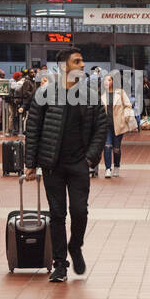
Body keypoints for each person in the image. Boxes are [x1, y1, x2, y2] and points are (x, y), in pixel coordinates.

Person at [23, 48, 107, 283]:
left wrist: (90, 158)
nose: (82, 65)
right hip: (53, 165)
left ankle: (75, 245)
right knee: (57, 214)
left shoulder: (91, 95)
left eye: (82, 60)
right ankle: (60, 264)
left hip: (79, 163)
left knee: (79, 211)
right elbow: (33, 130)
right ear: (63, 67)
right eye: (77, 61)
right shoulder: (45, 94)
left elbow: (101, 128)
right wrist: (30, 163)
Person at [101, 74, 135, 178]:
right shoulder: (102, 94)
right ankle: (107, 169)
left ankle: (116, 166)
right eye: (105, 80)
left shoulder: (120, 92)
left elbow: (128, 105)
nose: (107, 82)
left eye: (109, 80)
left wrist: (125, 116)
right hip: (106, 125)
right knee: (107, 146)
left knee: (116, 148)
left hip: (118, 124)